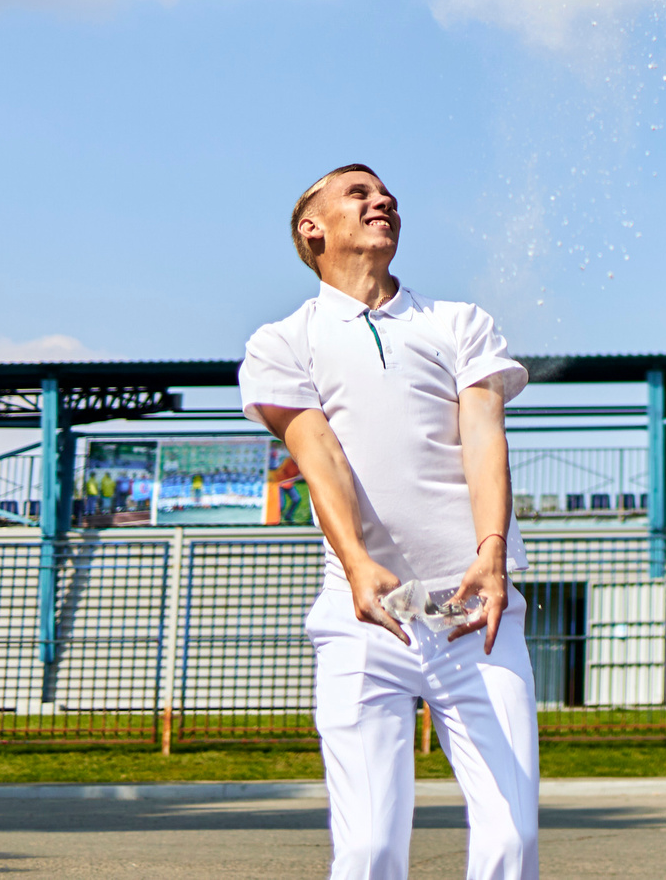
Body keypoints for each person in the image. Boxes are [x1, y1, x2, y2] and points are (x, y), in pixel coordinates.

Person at [238, 164, 539, 880]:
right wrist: (356, 565)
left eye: (387, 194)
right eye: (358, 193)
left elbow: (484, 438)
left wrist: (491, 557)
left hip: (475, 612)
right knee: (369, 847)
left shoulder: (459, 323)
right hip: (361, 614)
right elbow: (320, 454)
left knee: (511, 838)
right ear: (312, 228)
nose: (384, 200)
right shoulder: (283, 341)